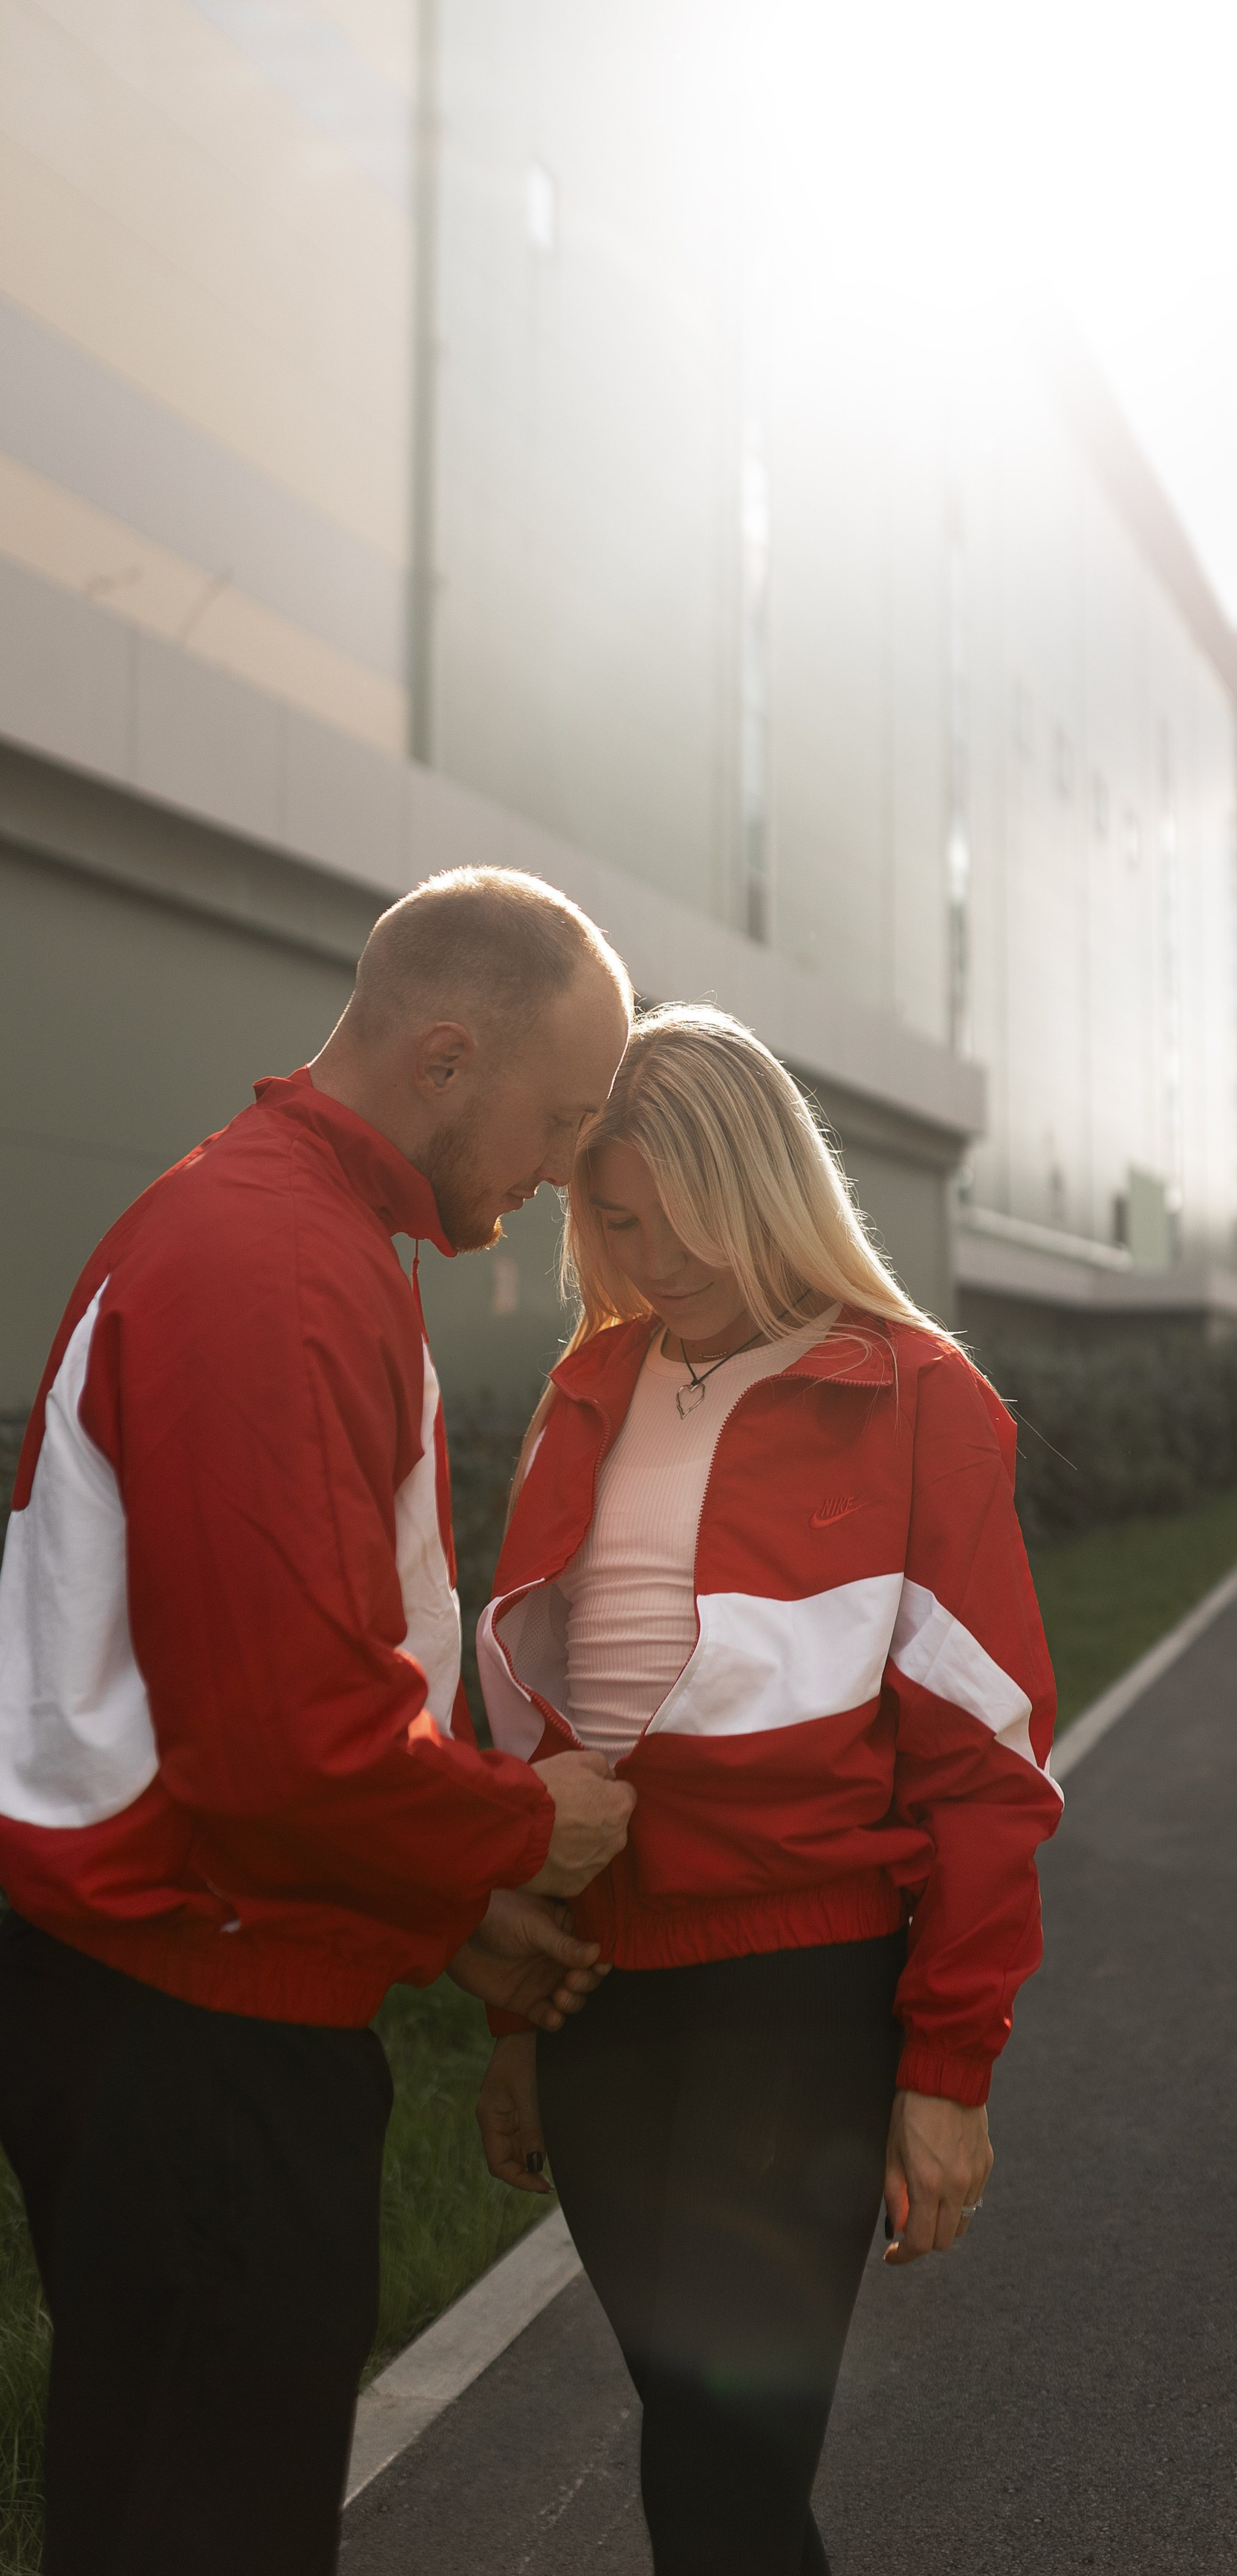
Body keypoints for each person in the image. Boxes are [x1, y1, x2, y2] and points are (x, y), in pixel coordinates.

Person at [0, 865, 640, 2576]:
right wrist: (526, 1831)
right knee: (201, 2524)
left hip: (189, 1986)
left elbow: (271, 1708)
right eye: (561, 1117)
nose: (568, 1164)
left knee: (180, 2498)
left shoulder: (288, 1226)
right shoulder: (274, 1262)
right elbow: (285, 1741)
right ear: (445, 1058)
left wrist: (452, 1913)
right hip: (191, 2026)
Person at [473, 1002, 1062, 2576]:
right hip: (595, 1991)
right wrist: (515, 2021)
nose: (653, 1260)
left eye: (687, 1219)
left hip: (795, 1996)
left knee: (719, 2482)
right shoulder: (585, 1393)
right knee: (698, 2452)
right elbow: (527, 1731)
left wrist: (947, 2067)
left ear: (768, 1186)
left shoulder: (916, 1394)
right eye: (612, 1218)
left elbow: (985, 1768)